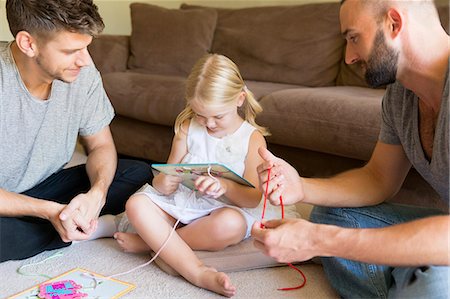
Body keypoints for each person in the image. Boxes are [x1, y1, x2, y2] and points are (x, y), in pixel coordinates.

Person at [251, 0, 449, 298]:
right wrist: (300, 187)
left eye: (353, 38)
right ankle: (417, 274)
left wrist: (320, 241)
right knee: (334, 215)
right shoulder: (400, 95)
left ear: (394, 24)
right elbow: (378, 178)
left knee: (432, 286)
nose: (349, 57)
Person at [90, 53, 297, 297]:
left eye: (217, 116)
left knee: (231, 225)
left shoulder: (251, 139)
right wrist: (164, 181)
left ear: (239, 99)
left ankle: (158, 247)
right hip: (183, 203)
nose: (208, 124)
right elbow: (162, 179)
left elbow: (253, 198)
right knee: (136, 204)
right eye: (200, 114)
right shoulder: (188, 128)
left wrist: (225, 187)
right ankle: (180, 256)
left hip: (222, 212)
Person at [0, 0, 152, 262]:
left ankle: (68, 222)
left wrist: (97, 195)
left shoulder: (84, 73)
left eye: (86, 47)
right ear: (28, 43)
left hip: (43, 188)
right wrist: (50, 212)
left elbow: (101, 146)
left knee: (137, 172)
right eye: (72, 50)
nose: (85, 61)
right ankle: (71, 225)